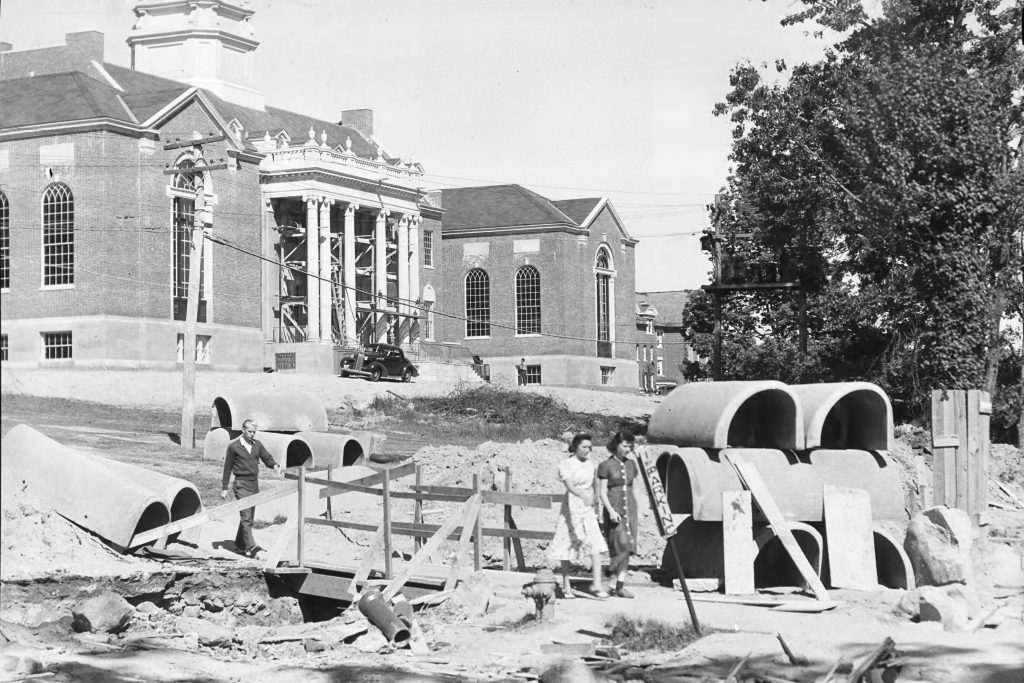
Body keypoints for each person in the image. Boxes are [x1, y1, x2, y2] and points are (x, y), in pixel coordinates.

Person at [546, 434, 609, 600]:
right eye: (584, 447)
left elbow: (595, 487)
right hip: (572, 508)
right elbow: (570, 486)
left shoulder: (590, 464)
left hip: (587, 509)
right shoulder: (566, 464)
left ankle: (597, 584)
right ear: (575, 447)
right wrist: (582, 495)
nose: (588, 450)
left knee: (595, 543)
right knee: (567, 545)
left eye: (590, 447)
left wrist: (596, 507)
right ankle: (566, 585)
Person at [221, 419, 283, 558]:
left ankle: (240, 544)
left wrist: (274, 465)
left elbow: (267, 458)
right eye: (250, 432)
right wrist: (225, 487)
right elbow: (227, 467)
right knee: (246, 517)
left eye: (254, 432)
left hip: (253, 485)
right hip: (241, 484)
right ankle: (251, 547)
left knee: (248, 517)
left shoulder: (258, 445)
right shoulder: (233, 447)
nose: (252, 434)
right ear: (243, 430)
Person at [597, 429, 639, 598]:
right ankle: (610, 571)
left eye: (630, 446)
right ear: (616, 445)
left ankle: (620, 585)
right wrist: (610, 511)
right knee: (621, 545)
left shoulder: (631, 465)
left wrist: (638, 508)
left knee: (628, 547)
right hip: (614, 509)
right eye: (624, 445)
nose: (627, 449)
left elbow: (634, 488)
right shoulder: (605, 465)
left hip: (631, 509)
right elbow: (602, 492)